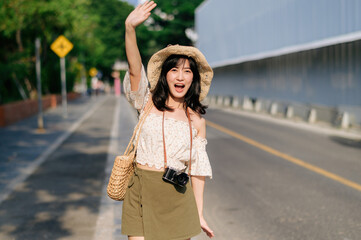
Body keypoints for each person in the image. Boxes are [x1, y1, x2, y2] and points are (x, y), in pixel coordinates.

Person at [122, 1, 214, 239]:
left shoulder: (196, 121)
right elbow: (134, 69)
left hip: (176, 199)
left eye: (187, 71)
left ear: (193, 79)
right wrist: (130, 29)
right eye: (174, 70)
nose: (180, 76)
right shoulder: (147, 102)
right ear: (165, 76)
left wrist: (199, 213)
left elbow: (198, 172)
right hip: (140, 191)